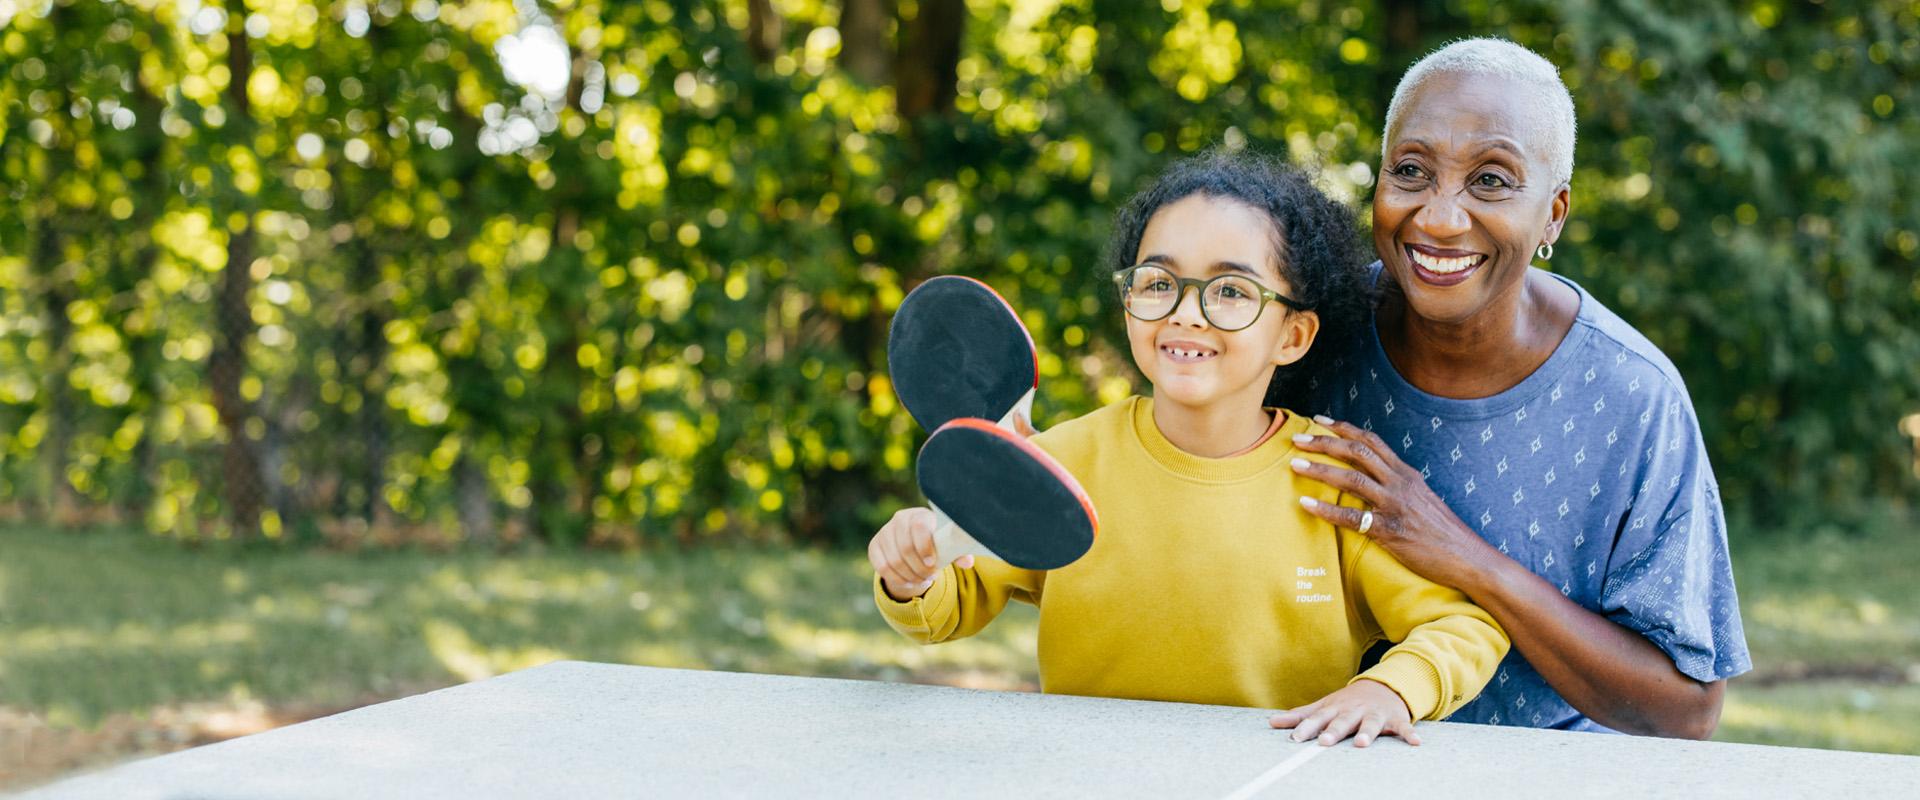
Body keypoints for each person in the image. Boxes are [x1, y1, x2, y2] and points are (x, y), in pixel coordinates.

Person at [869, 152, 1510, 748]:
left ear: (1293, 334)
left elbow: (1467, 628)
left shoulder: (1333, 479)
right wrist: (913, 574)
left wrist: (1389, 688)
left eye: (1230, 291)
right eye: (1158, 282)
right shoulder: (1064, 458)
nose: (1186, 313)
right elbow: (949, 609)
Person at [1279, 38, 1751, 739]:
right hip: (1325, 749)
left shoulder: (1632, 396)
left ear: (1553, 213)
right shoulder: (1306, 336)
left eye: (1491, 181)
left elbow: (1685, 710)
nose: (1439, 218)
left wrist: (1464, 557)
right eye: (1411, 171)